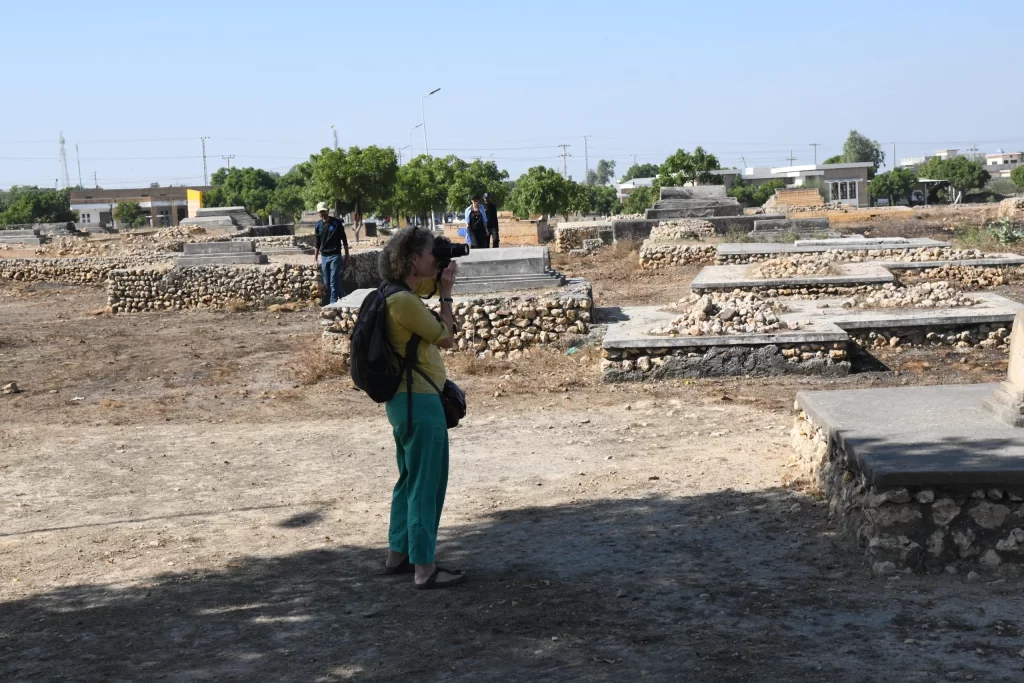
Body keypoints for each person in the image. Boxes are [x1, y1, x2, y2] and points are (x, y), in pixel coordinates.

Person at [378, 226, 465, 589]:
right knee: (426, 484)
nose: (436, 258)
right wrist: (446, 295)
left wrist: (441, 275)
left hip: (406, 402)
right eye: (431, 253)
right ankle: (424, 568)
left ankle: (398, 554)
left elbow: (424, 286)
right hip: (420, 403)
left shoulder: (393, 294)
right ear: (412, 259)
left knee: (409, 479)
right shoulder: (404, 302)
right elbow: (446, 337)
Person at [313, 201, 351, 305]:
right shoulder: (318, 225)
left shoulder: (336, 223)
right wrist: (315, 259)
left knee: (333, 280)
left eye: (324, 211)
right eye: (321, 212)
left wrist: (347, 257)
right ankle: (341, 293)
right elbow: (317, 243)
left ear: (328, 211)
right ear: (318, 213)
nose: (323, 213)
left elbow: (344, 240)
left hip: (335, 255)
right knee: (326, 282)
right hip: (324, 256)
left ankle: (333, 303)